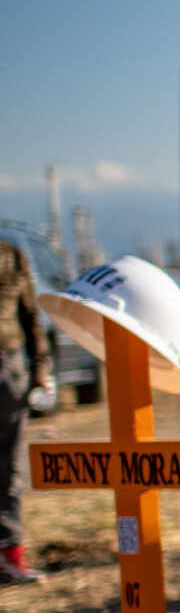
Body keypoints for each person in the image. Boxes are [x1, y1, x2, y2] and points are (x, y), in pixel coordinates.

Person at [0, 236, 49, 585]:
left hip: (8, 370)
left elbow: (30, 313)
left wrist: (40, 369)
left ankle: (10, 556)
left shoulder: (11, 253)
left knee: (8, 469)